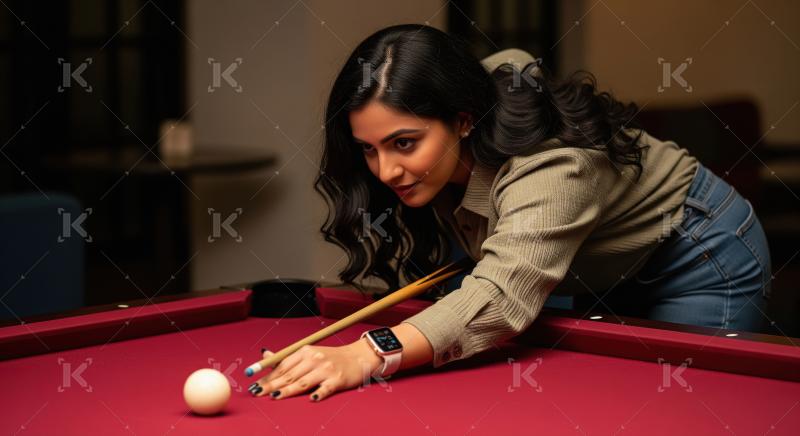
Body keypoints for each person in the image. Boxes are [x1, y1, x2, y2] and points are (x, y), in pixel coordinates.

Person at [247, 24, 772, 403]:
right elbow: (512, 60)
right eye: (369, 148)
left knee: (682, 408)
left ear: (463, 119)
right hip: (592, 264)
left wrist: (366, 353)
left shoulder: (554, 165)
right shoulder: (471, 99)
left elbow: (500, 294)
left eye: (404, 143)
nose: (386, 172)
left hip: (694, 251)